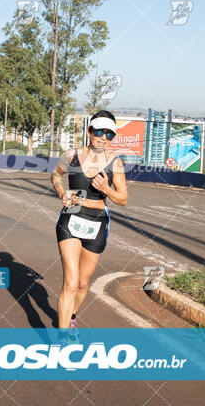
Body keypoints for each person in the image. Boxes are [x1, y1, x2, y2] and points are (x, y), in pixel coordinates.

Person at [51, 110, 128, 343]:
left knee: (83, 283)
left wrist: (106, 189)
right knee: (71, 282)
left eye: (109, 134)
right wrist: (62, 192)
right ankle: (62, 339)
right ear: (89, 131)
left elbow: (123, 198)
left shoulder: (116, 163)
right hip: (71, 218)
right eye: (99, 131)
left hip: (97, 222)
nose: (103, 137)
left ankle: (72, 316)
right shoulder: (71, 155)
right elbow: (55, 176)